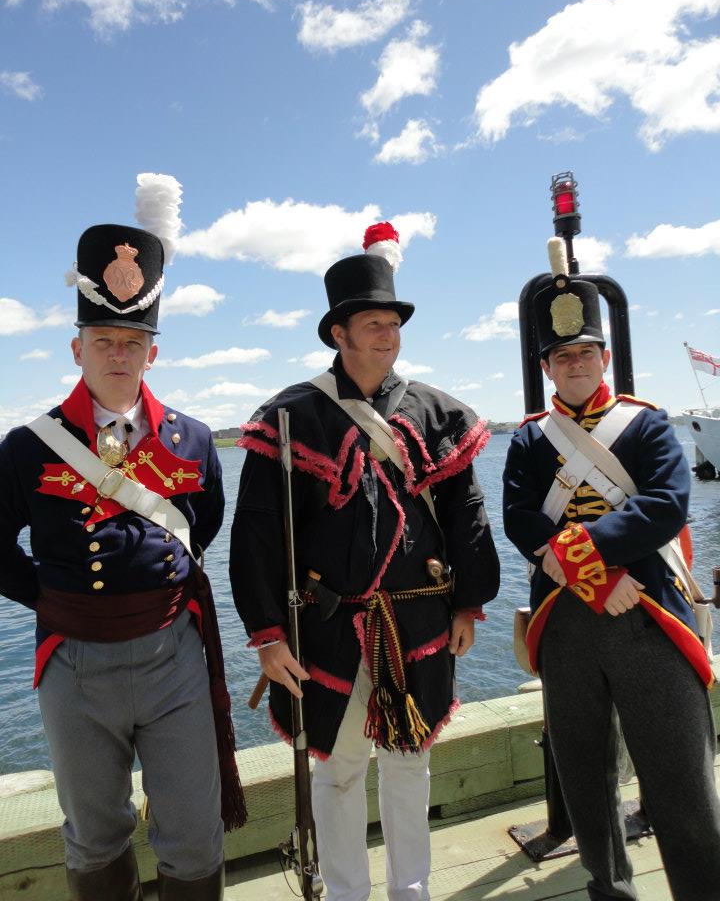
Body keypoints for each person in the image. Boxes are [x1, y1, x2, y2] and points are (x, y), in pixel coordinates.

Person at [230, 222, 500, 901]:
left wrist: (470, 600)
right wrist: (266, 634)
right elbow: (256, 535)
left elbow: (466, 517)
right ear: (338, 335)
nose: (386, 335)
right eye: (371, 324)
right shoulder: (289, 418)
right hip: (328, 628)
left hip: (419, 625)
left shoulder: (437, 414)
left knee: (411, 767)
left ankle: (412, 893)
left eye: (392, 323)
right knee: (340, 771)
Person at [0, 222, 244, 901]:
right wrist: (51, 599)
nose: (117, 353)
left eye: (131, 342)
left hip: (173, 656)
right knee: (95, 834)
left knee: (194, 832)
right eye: (103, 341)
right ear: (76, 348)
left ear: (152, 353)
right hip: (74, 662)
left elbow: (205, 525)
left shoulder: (192, 438)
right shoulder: (28, 445)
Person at [503, 268, 720, 900]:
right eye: (562, 354)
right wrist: (597, 581)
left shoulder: (648, 425)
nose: (574, 363)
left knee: (680, 776)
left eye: (585, 352)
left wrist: (583, 557)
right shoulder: (527, 439)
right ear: (548, 366)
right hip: (568, 622)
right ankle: (610, 889)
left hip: (649, 609)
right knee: (586, 775)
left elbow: (664, 506)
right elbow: (519, 517)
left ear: (605, 358)